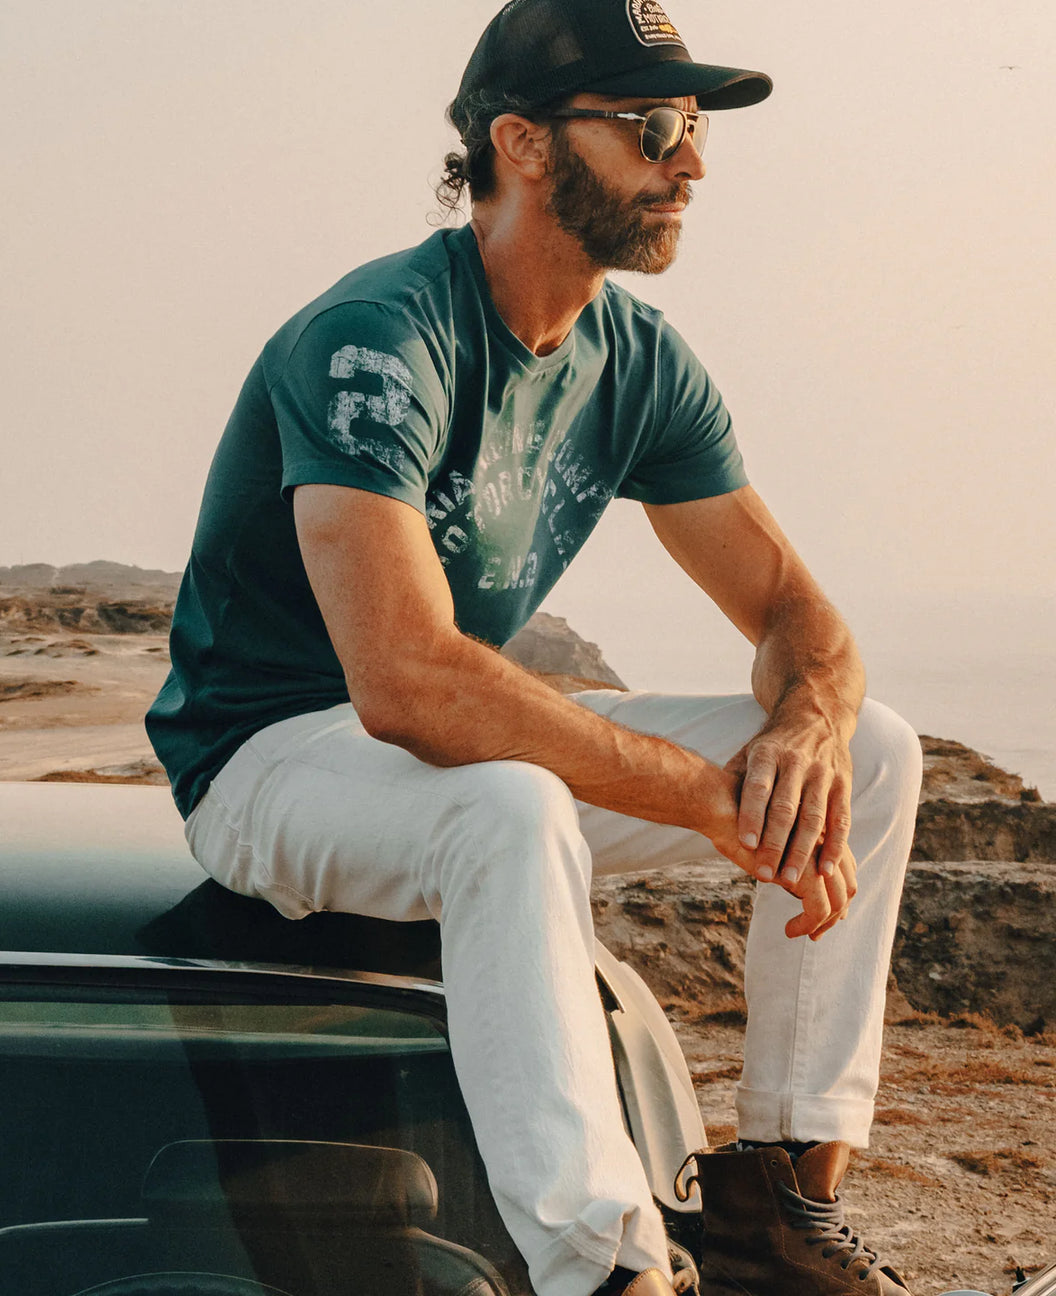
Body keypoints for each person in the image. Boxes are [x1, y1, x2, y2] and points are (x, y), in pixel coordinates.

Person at [147, 2, 923, 1294]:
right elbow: (405, 683)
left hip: (447, 758)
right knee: (509, 809)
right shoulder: (378, 340)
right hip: (271, 759)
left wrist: (802, 728)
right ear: (521, 142)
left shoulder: (636, 359)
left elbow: (799, 618)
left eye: (694, 131)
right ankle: (602, 1267)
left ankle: (776, 1199)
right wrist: (696, 795)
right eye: (655, 127)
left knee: (873, 753)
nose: (692, 164)